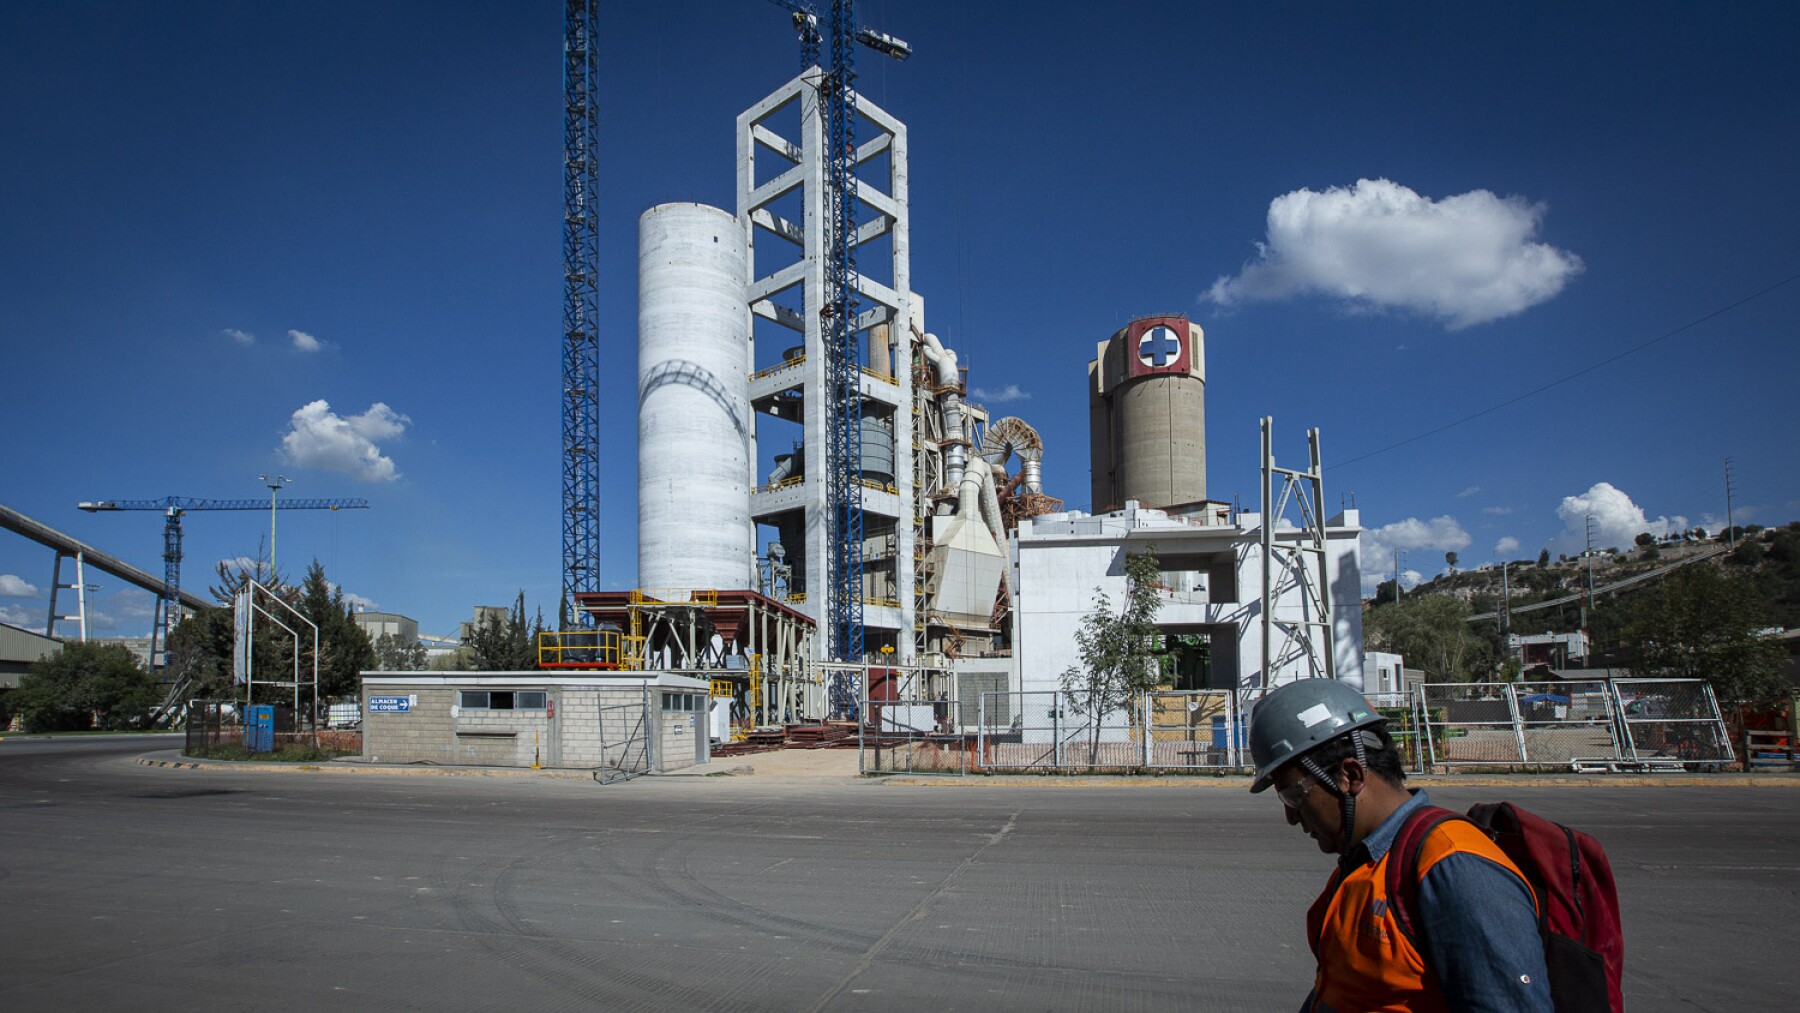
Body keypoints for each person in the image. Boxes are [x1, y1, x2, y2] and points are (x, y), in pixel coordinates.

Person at [1249, 679, 1552, 1012]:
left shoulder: (1457, 869)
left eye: (1293, 795)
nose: (1291, 818)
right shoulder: (1362, 865)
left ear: (1350, 775)